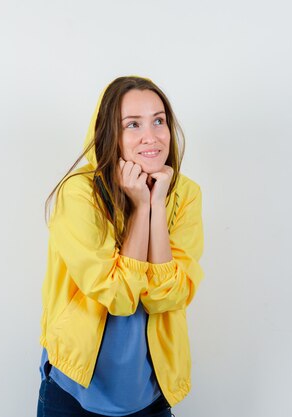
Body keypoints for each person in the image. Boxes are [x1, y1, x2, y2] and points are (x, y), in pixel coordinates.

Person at [37, 76, 204, 417]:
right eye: (133, 124)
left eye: (159, 120)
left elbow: (167, 297)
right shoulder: (80, 193)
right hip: (75, 389)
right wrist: (141, 208)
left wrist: (157, 206)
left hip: (150, 394)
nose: (152, 136)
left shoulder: (184, 194)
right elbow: (120, 297)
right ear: (109, 133)